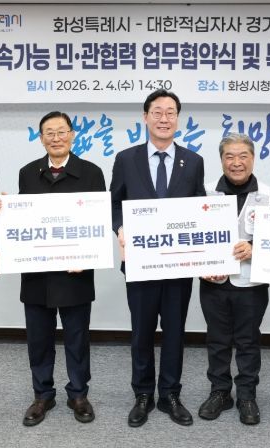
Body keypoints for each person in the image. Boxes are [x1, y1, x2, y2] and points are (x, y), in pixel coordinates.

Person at [110, 89, 205, 427]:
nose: (164, 119)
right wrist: (120, 227)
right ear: (145, 117)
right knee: (142, 331)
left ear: (178, 119)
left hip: (179, 264)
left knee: (175, 331)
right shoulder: (126, 159)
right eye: (157, 112)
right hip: (140, 262)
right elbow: (114, 203)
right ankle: (143, 394)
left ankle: (170, 395)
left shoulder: (193, 161)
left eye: (170, 113)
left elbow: (200, 208)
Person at [16, 111, 106, 427]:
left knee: (77, 339)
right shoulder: (27, 173)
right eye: (49, 133)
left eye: (62, 131)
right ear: (41, 138)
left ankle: (78, 394)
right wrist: (6, 212)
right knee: (38, 339)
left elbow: (99, 223)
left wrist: (88, 257)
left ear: (72, 135)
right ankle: (42, 395)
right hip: (37, 275)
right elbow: (23, 221)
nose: (56, 138)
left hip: (75, 273)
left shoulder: (92, 173)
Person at [197, 133, 270, 426]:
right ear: (221, 160)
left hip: (251, 284)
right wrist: (202, 266)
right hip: (213, 282)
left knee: (248, 341)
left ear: (253, 158)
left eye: (243, 156)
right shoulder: (206, 193)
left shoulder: (268, 195)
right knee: (217, 340)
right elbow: (193, 236)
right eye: (229, 156)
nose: (236, 163)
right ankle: (220, 392)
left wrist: (255, 247)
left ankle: (246, 394)